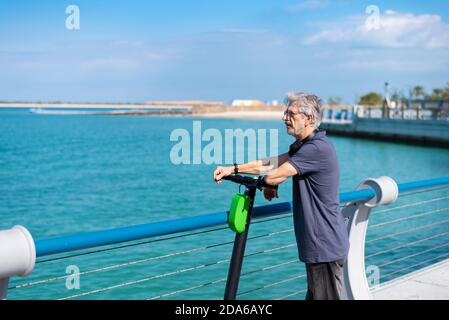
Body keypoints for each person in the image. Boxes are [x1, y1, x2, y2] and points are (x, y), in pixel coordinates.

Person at [213, 92, 349, 300]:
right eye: (285, 112)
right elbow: (269, 164)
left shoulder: (316, 149)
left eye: (291, 113)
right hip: (321, 243)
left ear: (309, 118)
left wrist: (270, 183)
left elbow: (275, 174)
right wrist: (232, 168)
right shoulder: (304, 147)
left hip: (324, 245)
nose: (284, 118)